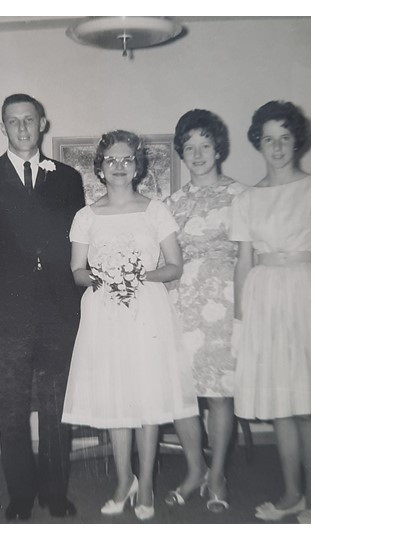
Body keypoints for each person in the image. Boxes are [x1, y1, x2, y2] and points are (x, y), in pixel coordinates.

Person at [61, 130, 198, 521]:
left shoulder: (155, 211)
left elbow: (174, 266)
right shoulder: (86, 216)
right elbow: (76, 271)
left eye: (127, 159)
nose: (119, 166)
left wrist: (137, 276)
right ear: (100, 168)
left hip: (147, 312)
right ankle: (124, 481)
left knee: (147, 397)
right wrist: (101, 277)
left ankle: (147, 484)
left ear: (138, 166)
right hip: (104, 312)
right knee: (116, 396)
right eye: (111, 160)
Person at [0, 94, 85, 521]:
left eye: (29, 119)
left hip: (58, 312)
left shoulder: (67, 178)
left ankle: (55, 493)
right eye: (13, 121)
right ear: (3, 128)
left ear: (42, 123)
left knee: (55, 408)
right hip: (6, 314)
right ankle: (20, 496)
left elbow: (77, 245)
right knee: (12, 407)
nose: (22, 128)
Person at [230, 100, 310, 524]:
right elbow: (243, 262)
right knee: (283, 401)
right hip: (264, 298)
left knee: (311, 401)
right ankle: (294, 494)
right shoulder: (247, 198)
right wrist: (240, 320)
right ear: (258, 143)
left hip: (309, 294)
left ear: (297, 140)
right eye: (268, 139)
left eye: (285, 138)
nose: (277, 147)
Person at [162, 110, 247, 512]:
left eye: (205, 145)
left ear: (218, 149)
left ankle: (217, 476)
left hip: (223, 310)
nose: (197, 155)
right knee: (182, 396)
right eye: (189, 147)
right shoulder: (170, 204)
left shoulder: (241, 197)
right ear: (181, 152)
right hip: (179, 308)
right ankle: (195, 469)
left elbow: (250, 259)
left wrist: (243, 315)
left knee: (218, 397)